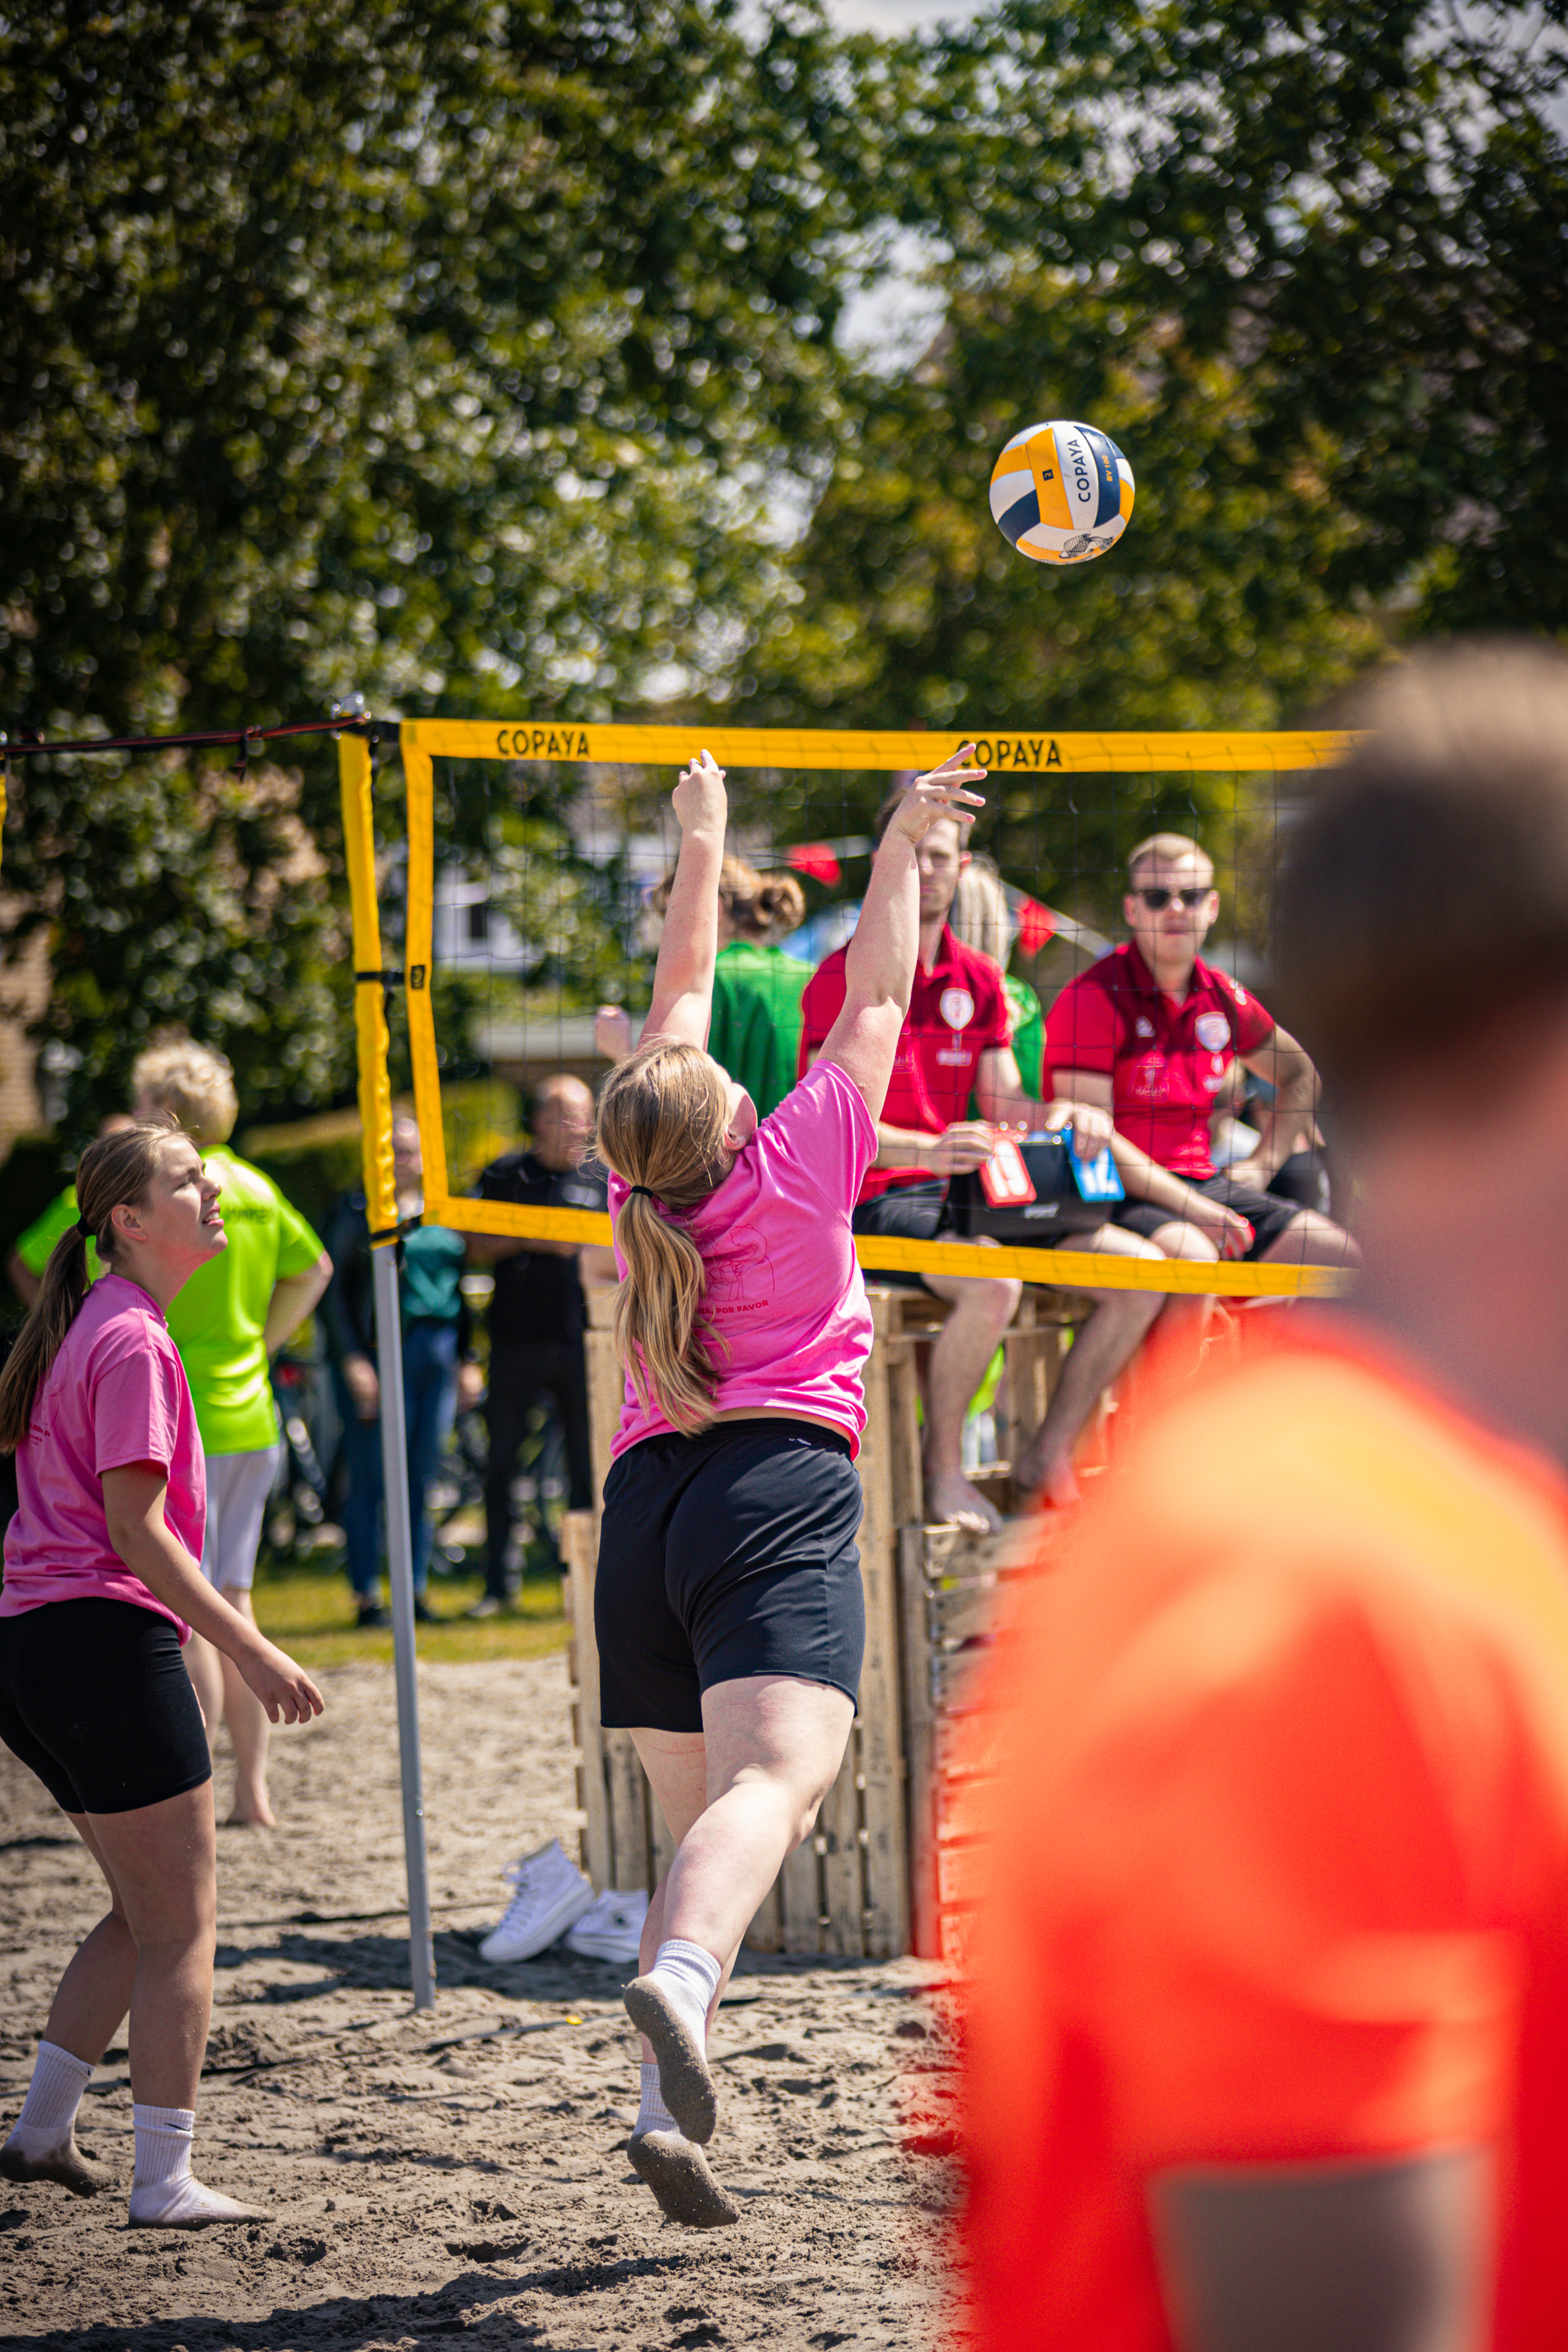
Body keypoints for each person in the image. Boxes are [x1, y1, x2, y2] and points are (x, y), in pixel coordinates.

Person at [961, 641, 1568, 2350]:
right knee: (1164, 1254)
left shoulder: (1462, 1515)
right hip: (1103, 1221)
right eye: (1148, 888)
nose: (1162, 907)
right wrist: (1200, 1191)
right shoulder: (1314, 1590)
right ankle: (1039, 1451)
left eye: (1183, 889)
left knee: (1242, 1241)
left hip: (1223, 1220)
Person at [592, 740, 984, 2230]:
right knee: (773, 1795)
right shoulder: (808, 1156)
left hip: (649, 1516)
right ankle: (680, 1988)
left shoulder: (639, 1181)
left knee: (713, 1837)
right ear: (728, 1115)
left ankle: (661, 2107)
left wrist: (704, 845)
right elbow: (877, 993)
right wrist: (899, 849)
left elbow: (677, 1007)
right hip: (772, 1491)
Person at [0, 1118, 321, 2228]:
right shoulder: (130, 1337)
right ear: (130, 1221)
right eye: (191, 1179)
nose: (215, 1188)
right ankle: (164, 2180)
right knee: (183, 1927)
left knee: (143, 1915)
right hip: (99, 1645)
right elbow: (137, 1530)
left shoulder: (101, 1318)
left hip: (37, 1649)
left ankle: (41, 2135)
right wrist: (252, 1646)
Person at [798, 788, 1239, 1522]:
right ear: (886, 865)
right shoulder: (838, 978)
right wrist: (927, 1147)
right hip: (876, 1195)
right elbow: (824, 1125)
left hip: (961, 1190)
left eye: (941, 858)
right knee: (994, 1286)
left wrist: (1061, 1115)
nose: (928, 872)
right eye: (913, 856)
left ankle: (1054, 1452)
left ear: (962, 866)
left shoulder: (978, 979)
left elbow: (1003, 1105)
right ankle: (945, 1471)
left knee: (1149, 1270)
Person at [130, 1042, 331, 1827]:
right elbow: (313, 1268)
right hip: (252, 1412)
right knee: (235, 1606)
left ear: (167, 1109)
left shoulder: (160, 1190)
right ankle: (253, 1791)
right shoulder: (252, 1184)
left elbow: (34, 1259)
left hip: (183, 1413)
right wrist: (266, 1343)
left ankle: (193, 1793)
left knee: (190, 1616)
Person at [1047, 830, 1355, 1276]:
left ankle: (1247, 1344)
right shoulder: (1094, 997)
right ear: (1131, 910)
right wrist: (1195, 1207)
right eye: (1157, 897)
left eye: (1190, 896)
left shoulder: (1222, 995)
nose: (1175, 909)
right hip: (1114, 1191)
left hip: (1203, 1183)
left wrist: (1262, 1166)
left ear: (1210, 908)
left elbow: (1301, 1075)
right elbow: (1094, 1140)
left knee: (1339, 1258)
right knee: (1195, 1257)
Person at [322, 1113, 480, 1626]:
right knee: (371, 1477)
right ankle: (367, 1595)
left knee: (421, 1476)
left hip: (436, 1355)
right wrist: (353, 1360)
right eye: (394, 1151)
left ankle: (413, 1590)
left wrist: (467, 1358)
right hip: (380, 1356)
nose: (404, 1160)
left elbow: (460, 1288)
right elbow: (335, 1297)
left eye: (411, 1150)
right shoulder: (356, 1212)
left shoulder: (439, 1210)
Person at [466, 1075, 614, 1615]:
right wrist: (532, 1238)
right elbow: (473, 1246)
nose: (572, 1127)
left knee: (587, 1469)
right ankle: (497, 1586)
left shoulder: (603, 1176)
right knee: (501, 1466)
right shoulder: (504, 1173)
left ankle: (585, 1583)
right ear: (536, 1121)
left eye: (580, 1116)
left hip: (581, 1344)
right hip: (515, 1343)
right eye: (559, 1115)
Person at [5, 1112, 136, 1306]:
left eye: (130, 1149)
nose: (121, 1159)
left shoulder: (154, 1201)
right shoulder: (75, 1203)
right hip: (91, 1331)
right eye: (112, 1149)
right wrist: (50, 1320)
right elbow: (20, 1264)